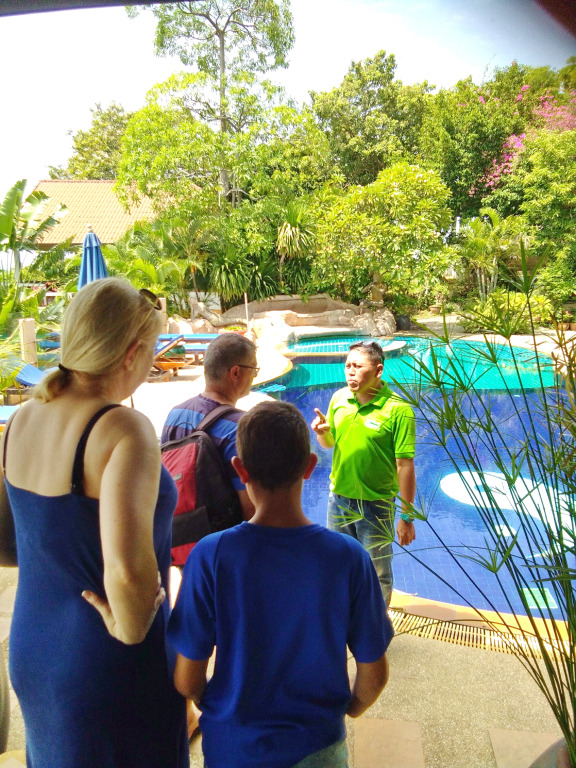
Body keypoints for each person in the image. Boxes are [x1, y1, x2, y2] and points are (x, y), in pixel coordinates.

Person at [0, 278, 188, 768]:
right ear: (131, 353)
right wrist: (133, 629)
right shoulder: (123, 429)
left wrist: (61, 558)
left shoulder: (23, 419)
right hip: (104, 656)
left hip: (34, 645)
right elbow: (126, 571)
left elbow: (6, 541)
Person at [168, 400, 393, 768]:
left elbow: (187, 679)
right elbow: (374, 675)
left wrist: (222, 712)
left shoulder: (211, 555)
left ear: (240, 469)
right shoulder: (348, 557)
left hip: (233, 748)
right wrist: (347, 710)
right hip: (318, 747)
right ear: (310, 467)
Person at [311, 340, 416, 608]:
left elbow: (405, 465)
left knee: (377, 572)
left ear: (378, 370)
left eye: (358, 366)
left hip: (376, 504)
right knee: (338, 564)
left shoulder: (398, 409)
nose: (350, 372)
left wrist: (406, 516)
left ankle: (376, 626)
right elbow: (330, 444)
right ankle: (345, 617)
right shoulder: (339, 398)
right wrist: (322, 433)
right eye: (347, 366)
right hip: (339, 499)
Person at [161, 332, 258, 522]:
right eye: (254, 369)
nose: (254, 376)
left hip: (179, 532)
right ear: (236, 373)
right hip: (223, 537)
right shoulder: (240, 427)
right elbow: (251, 508)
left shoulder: (175, 414)